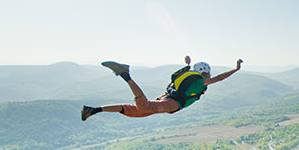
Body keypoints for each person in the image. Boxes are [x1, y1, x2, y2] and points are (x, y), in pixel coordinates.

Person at [81, 56, 243, 120]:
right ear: (205, 73)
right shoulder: (200, 81)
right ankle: (125, 75)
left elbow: (180, 76)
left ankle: (93, 110)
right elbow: (219, 78)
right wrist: (235, 69)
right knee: (144, 106)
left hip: (166, 97)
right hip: (173, 103)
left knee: (135, 111)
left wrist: (187, 63)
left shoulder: (188, 74)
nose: (209, 75)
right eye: (208, 73)